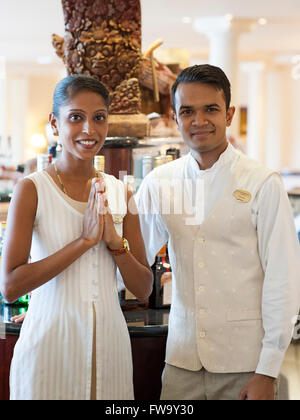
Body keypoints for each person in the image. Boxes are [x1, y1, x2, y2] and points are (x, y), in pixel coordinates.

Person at [135, 64, 300, 400]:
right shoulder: (160, 183)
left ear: (229, 114)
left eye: (210, 109)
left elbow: (283, 280)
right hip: (182, 361)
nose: (199, 121)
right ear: (175, 116)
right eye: (188, 111)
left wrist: (267, 370)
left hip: (245, 364)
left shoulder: (263, 183)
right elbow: (131, 258)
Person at [0, 74, 153, 400]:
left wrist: (115, 245)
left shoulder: (120, 191)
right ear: (55, 123)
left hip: (109, 348)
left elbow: (143, 288)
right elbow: (11, 286)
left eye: (99, 118)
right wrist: (83, 242)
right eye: (76, 117)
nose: (89, 129)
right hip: (49, 346)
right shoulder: (32, 189)